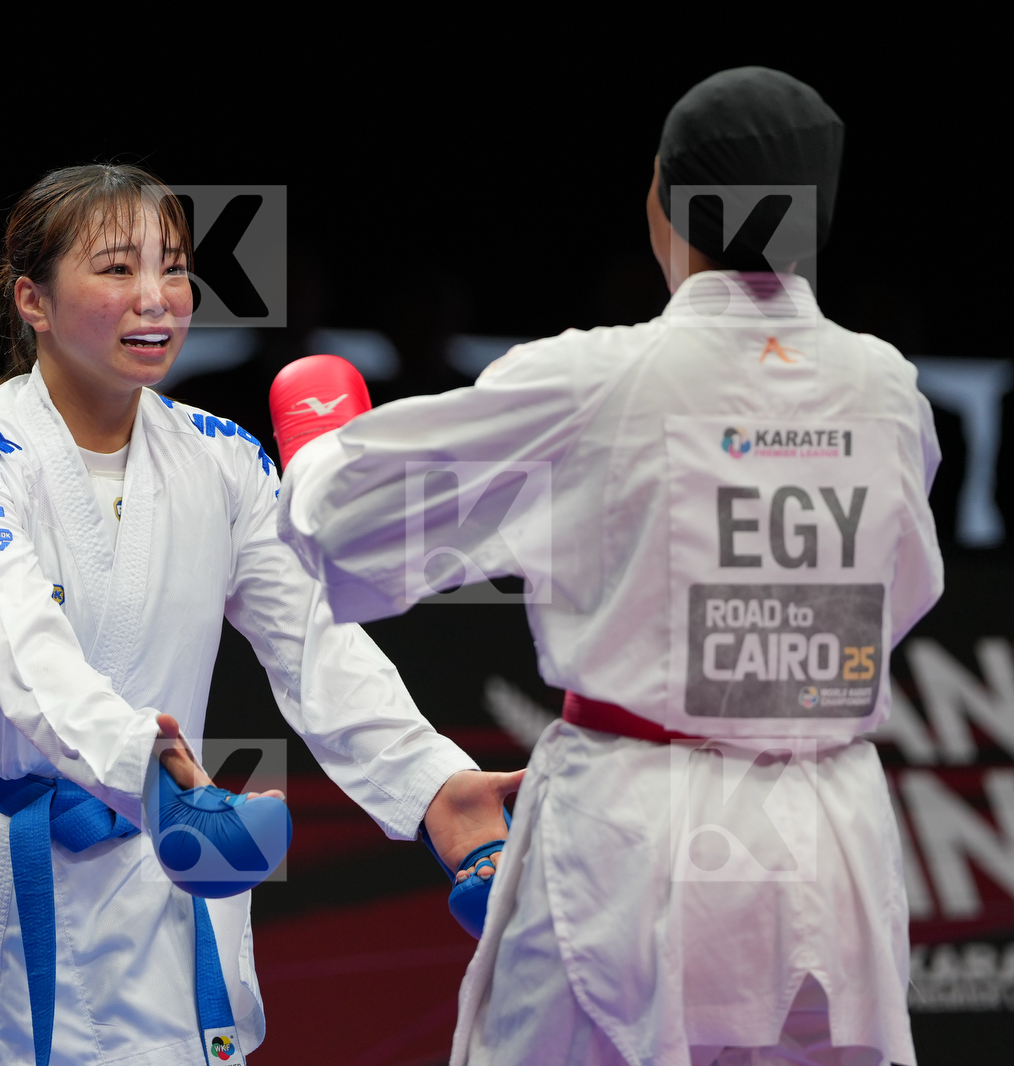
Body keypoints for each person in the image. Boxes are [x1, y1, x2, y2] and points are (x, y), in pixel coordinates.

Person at [276, 68, 941, 1066]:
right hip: (833, 828)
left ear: (665, 199)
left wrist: (317, 435)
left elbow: (349, 527)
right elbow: (904, 591)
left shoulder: (595, 377)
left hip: (641, 827)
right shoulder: (888, 387)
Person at [0, 163, 520, 1066]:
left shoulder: (221, 459)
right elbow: (33, 659)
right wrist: (149, 769)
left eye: (175, 268)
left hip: (159, 877)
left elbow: (316, 647)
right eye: (117, 269)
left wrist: (437, 788)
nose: (156, 298)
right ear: (32, 301)